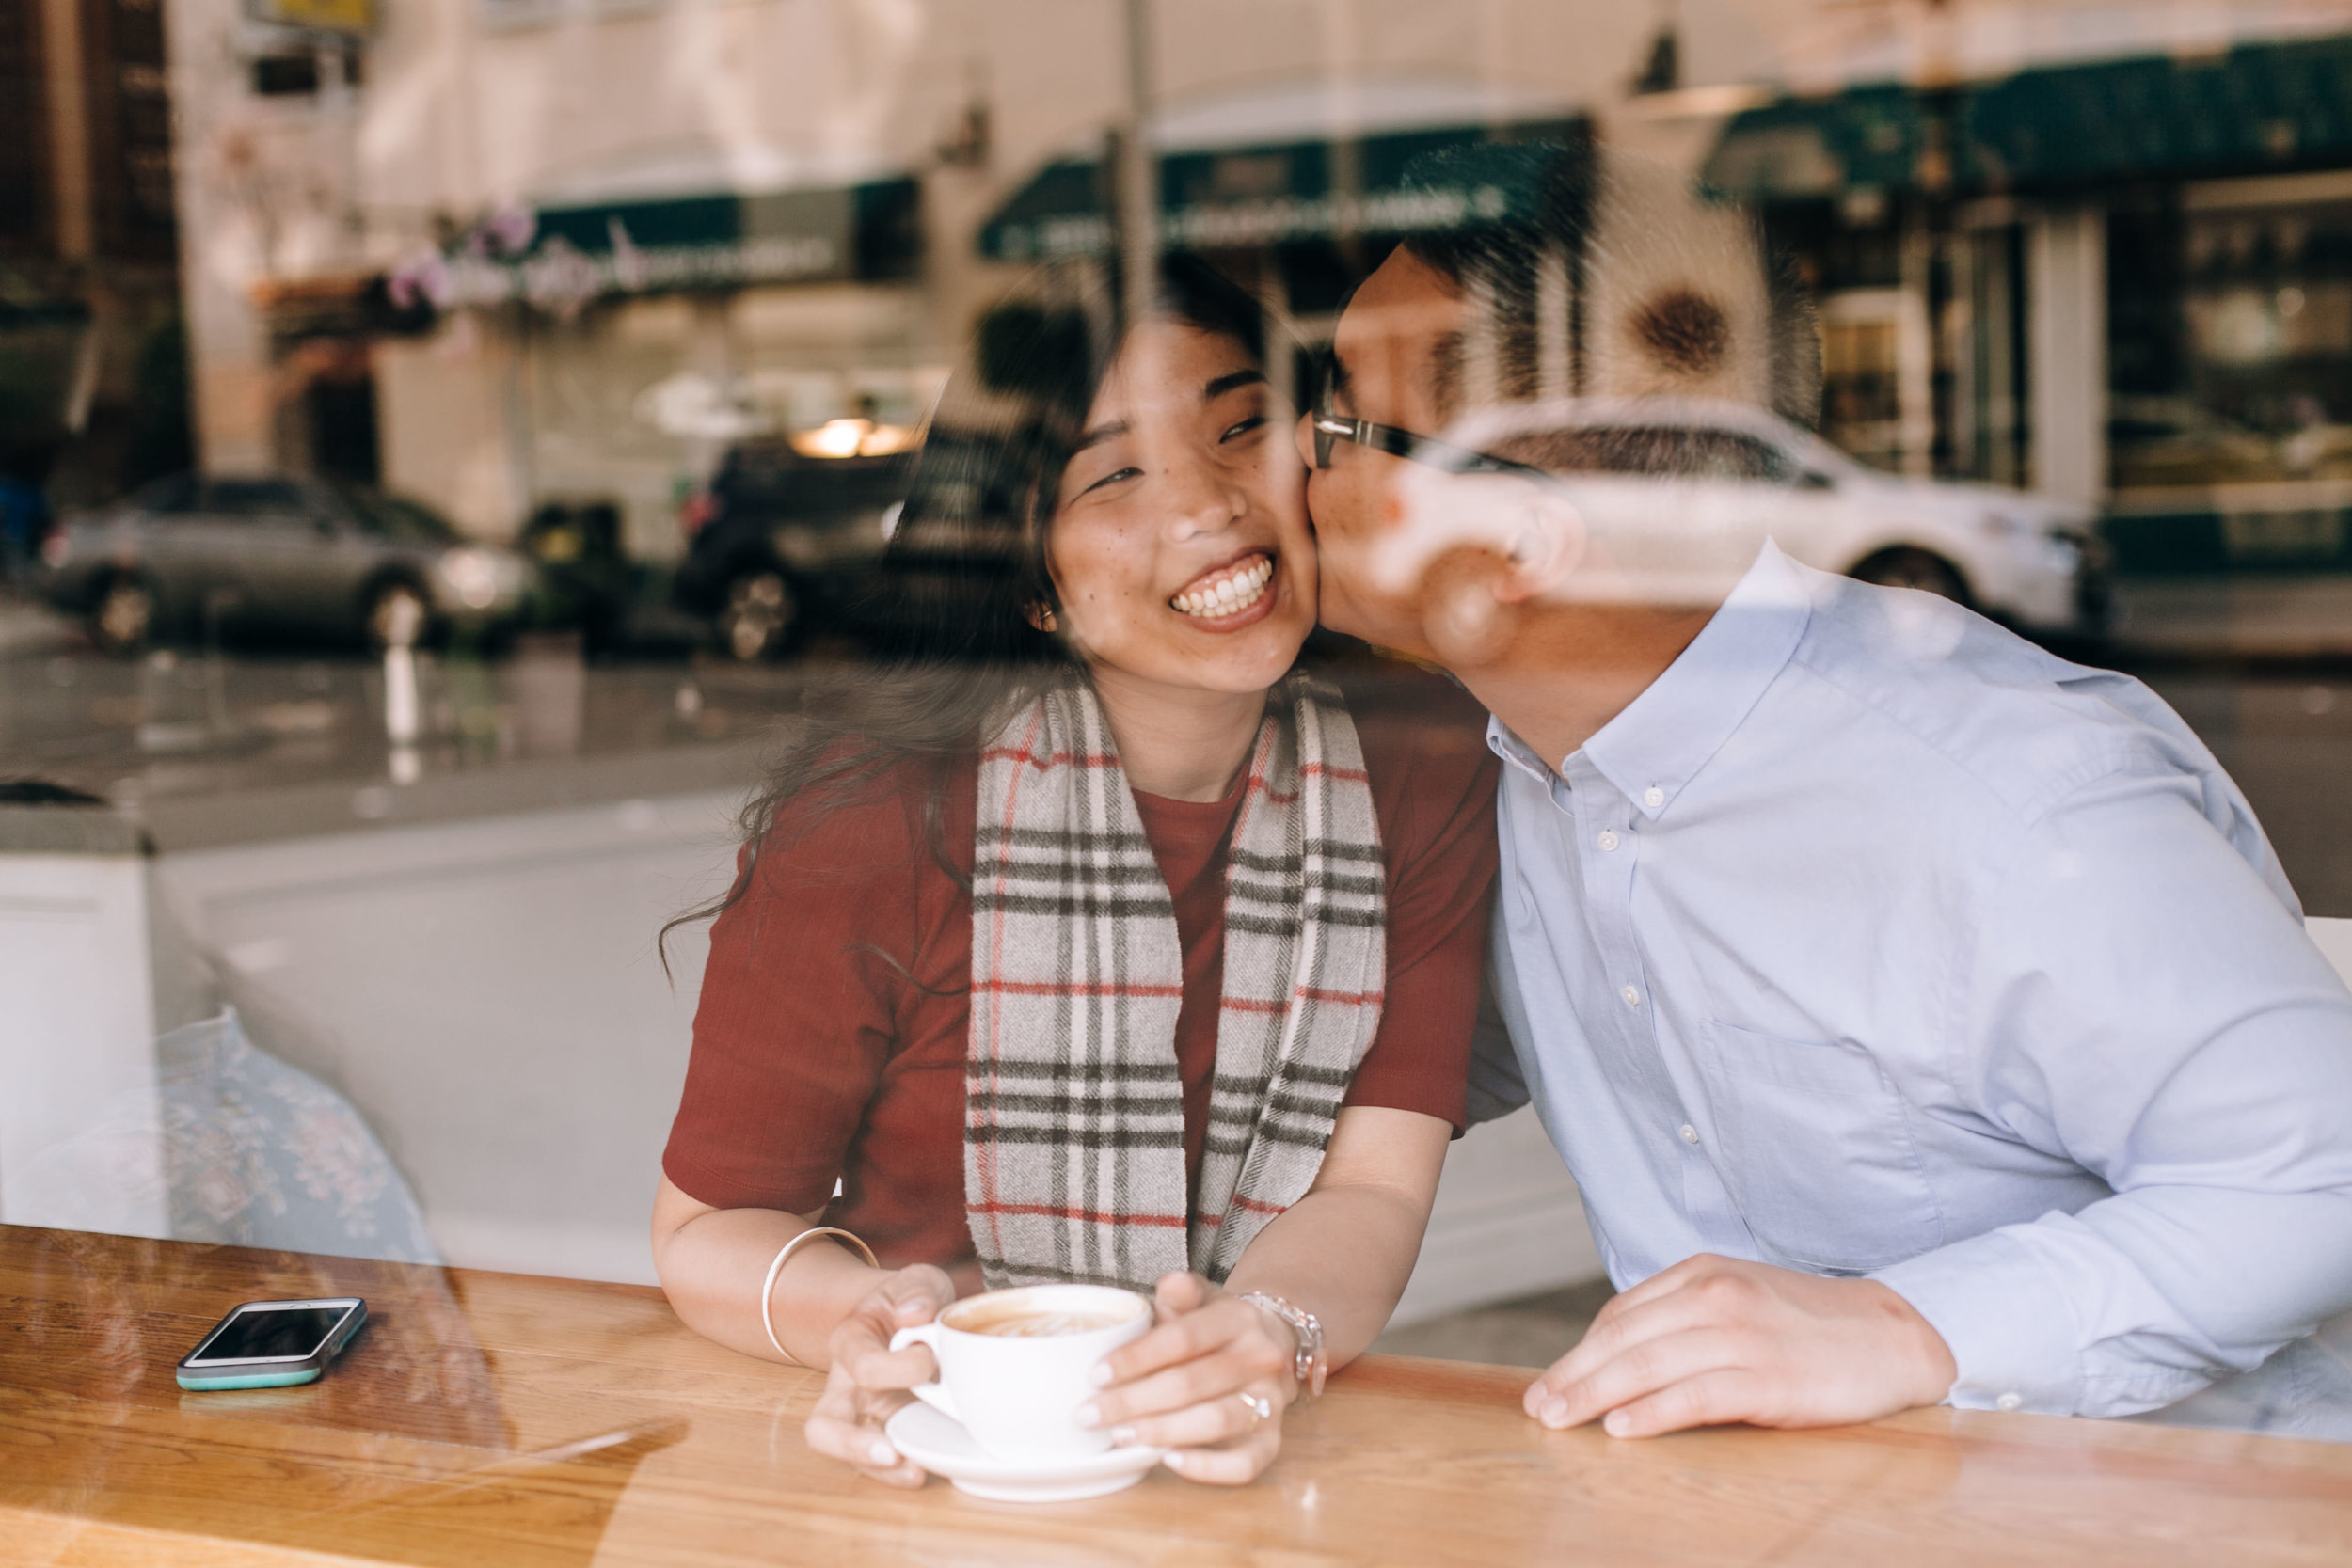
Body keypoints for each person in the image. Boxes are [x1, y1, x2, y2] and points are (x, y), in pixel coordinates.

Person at [1301, 141, 2352, 1438]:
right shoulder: (1499, 765)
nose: (1299, 464)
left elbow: (2321, 1177)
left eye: (1343, 421)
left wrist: (1909, 1329)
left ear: (1517, 541)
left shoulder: (2015, 795)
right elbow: (1375, 1063)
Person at [652, 256, 1500, 1485]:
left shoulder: (1418, 771)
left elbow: (1372, 1190)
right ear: (1034, 584)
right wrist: (863, 1322)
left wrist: (1266, 1338)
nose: (1207, 506)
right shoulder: (878, 817)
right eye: (1114, 474)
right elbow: (704, 1235)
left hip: (1240, 1455)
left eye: (1243, 428)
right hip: (936, 1445)